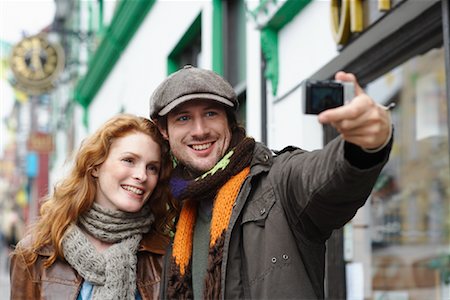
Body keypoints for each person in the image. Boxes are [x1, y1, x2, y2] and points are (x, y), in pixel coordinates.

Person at [149, 65, 393, 299]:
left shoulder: (278, 178)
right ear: (164, 130)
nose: (200, 130)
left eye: (211, 113)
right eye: (183, 118)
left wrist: (366, 145)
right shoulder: (174, 214)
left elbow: (326, 177)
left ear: (229, 121)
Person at [10, 114, 178, 299]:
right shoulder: (34, 254)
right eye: (129, 160)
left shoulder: (165, 254)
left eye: (152, 167)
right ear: (96, 166)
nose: (142, 175)